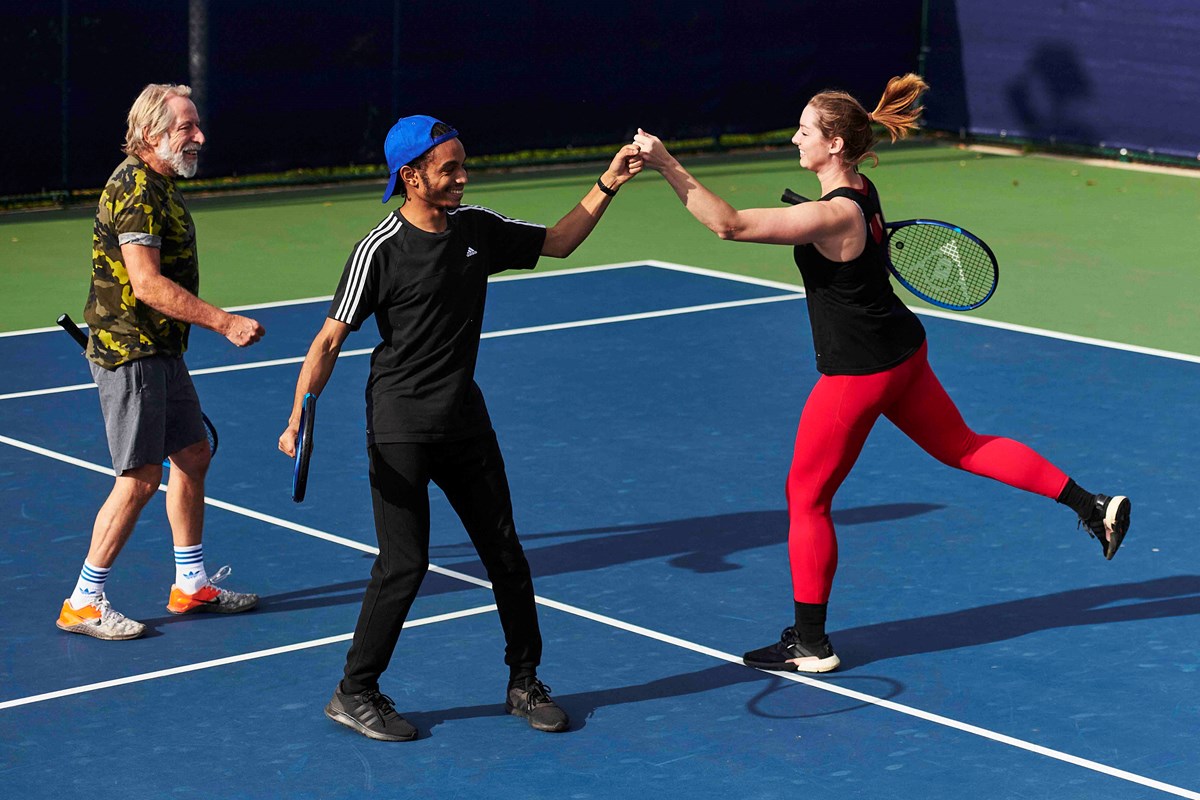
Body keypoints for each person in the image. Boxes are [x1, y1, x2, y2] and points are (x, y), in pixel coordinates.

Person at [632, 74, 1130, 674]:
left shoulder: (834, 213)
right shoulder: (861, 190)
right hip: (903, 354)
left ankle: (811, 642)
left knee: (806, 498)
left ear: (835, 143)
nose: (795, 138)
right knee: (965, 445)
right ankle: (1090, 504)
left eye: (805, 130)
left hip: (857, 376)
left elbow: (729, 225)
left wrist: (665, 164)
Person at [278, 115, 642, 740]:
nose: (462, 177)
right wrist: (297, 415)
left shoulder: (476, 227)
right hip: (400, 426)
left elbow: (558, 241)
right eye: (449, 168)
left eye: (462, 164)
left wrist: (607, 182)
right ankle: (354, 690)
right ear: (411, 177)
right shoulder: (380, 249)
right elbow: (331, 338)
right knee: (404, 564)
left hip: (465, 422)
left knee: (505, 553)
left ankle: (524, 681)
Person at [56, 83, 265, 642]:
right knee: (142, 477)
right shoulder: (135, 189)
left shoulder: (161, 183)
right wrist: (225, 322)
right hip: (132, 351)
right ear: (150, 134)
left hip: (160, 348)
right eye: (185, 128)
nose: (199, 136)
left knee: (192, 455)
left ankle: (190, 584)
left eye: (197, 126)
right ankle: (84, 600)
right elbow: (146, 285)